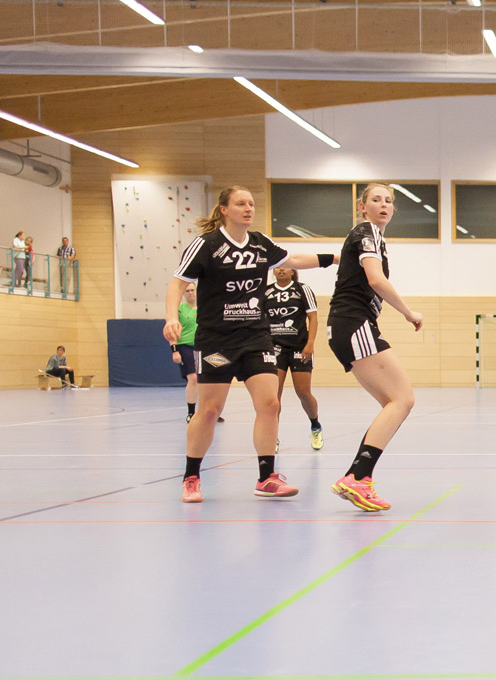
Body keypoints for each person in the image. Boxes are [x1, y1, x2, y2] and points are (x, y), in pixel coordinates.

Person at [163, 185, 337, 503]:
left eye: (251, 204)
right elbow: (178, 282)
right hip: (217, 341)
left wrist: (337, 258)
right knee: (210, 410)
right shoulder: (206, 245)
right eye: (240, 204)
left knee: (270, 404)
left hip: (256, 337)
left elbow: (295, 258)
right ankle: (191, 477)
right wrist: (171, 317)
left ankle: (266, 477)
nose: (248, 209)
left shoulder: (260, 243)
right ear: (224, 210)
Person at [327, 183, 422, 512]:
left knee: (391, 404)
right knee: (403, 399)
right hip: (354, 324)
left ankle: (357, 477)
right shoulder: (365, 232)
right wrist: (409, 312)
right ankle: (358, 478)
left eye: (388, 201)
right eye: (376, 199)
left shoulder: (375, 238)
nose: (383, 205)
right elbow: (376, 280)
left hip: (349, 326)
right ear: (362, 206)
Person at [266, 267, 322, 450]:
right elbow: (261, 320)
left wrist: (310, 344)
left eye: (285, 267)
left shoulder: (302, 289)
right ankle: (273, 436)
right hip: (276, 349)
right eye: (278, 267)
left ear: (292, 271)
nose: (281, 269)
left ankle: (315, 425)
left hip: (299, 348)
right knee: (274, 396)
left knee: (303, 393)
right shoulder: (266, 292)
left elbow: (313, 318)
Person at [172, 282, 200, 421]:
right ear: (183, 293)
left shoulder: (203, 308)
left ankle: (210, 411)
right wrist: (174, 350)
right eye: (187, 291)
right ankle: (191, 412)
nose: (190, 293)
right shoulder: (180, 309)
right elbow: (172, 330)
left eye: (192, 290)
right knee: (193, 378)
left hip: (202, 346)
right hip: (185, 346)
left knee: (208, 379)